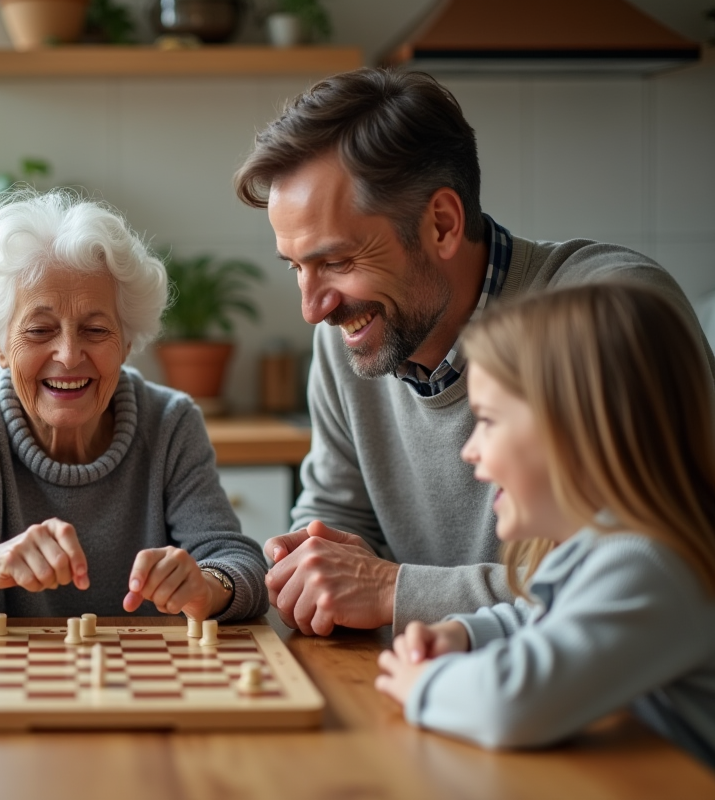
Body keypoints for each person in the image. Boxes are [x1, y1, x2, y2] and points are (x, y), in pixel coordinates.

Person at [231, 67, 715, 634]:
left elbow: (658, 573)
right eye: (297, 267)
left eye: (337, 262)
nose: (313, 307)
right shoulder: (349, 340)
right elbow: (336, 519)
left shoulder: (608, 316)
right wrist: (313, 564)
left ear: (440, 224)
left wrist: (394, 589)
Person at [0, 190, 268, 629]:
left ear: (127, 342)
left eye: (95, 329)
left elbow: (241, 564)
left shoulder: (170, 423)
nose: (70, 355)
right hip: (2, 689)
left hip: (140, 688)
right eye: (39, 330)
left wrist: (208, 584)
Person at [374, 283, 715, 767]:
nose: (470, 449)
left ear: (580, 433)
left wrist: (422, 687)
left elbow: (512, 705)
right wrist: (464, 635)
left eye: (488, 421)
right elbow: (543, 620)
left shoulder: (648, 566)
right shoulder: (611, 550)